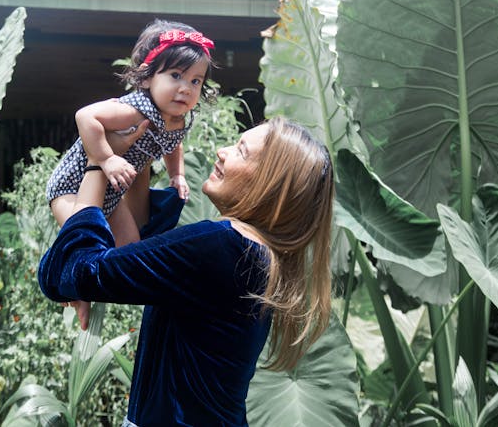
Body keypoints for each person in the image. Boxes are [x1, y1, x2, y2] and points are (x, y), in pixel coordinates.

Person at [38, 116, 335, 426]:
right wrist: (139, 155)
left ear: (269, 186)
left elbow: (72, 271)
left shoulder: (221, 246)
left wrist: (97, 161)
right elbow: (140, 249)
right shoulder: (256, 257)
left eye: (242, 151)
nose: (223, 151)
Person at [45, 19, 217, 329]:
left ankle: (97, 293)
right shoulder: (138, 109)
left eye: (195, 81)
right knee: (79, 240)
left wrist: (176, 174)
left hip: (114, 195)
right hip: (71, 186)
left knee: (129, 250)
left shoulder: (178, 118)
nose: (185, 88)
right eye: (176, 76)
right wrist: (107, 159)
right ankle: (73, 290)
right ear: (149, 77)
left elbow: (173, 145)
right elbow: (86, 116)